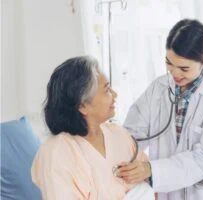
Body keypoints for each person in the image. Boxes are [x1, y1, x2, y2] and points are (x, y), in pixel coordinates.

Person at [118, 19, 203, 200]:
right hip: (168, 193)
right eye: (169, 63)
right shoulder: (158, 88)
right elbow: (133, 135)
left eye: (184, 68)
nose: (174, 74)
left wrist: (152, 170)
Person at [31, 56, 154, 200]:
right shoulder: (56, 152)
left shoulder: (119, 134)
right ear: (82, 106)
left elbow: (149, 179)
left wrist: (148, 171)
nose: (115, 94)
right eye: (107, 89)